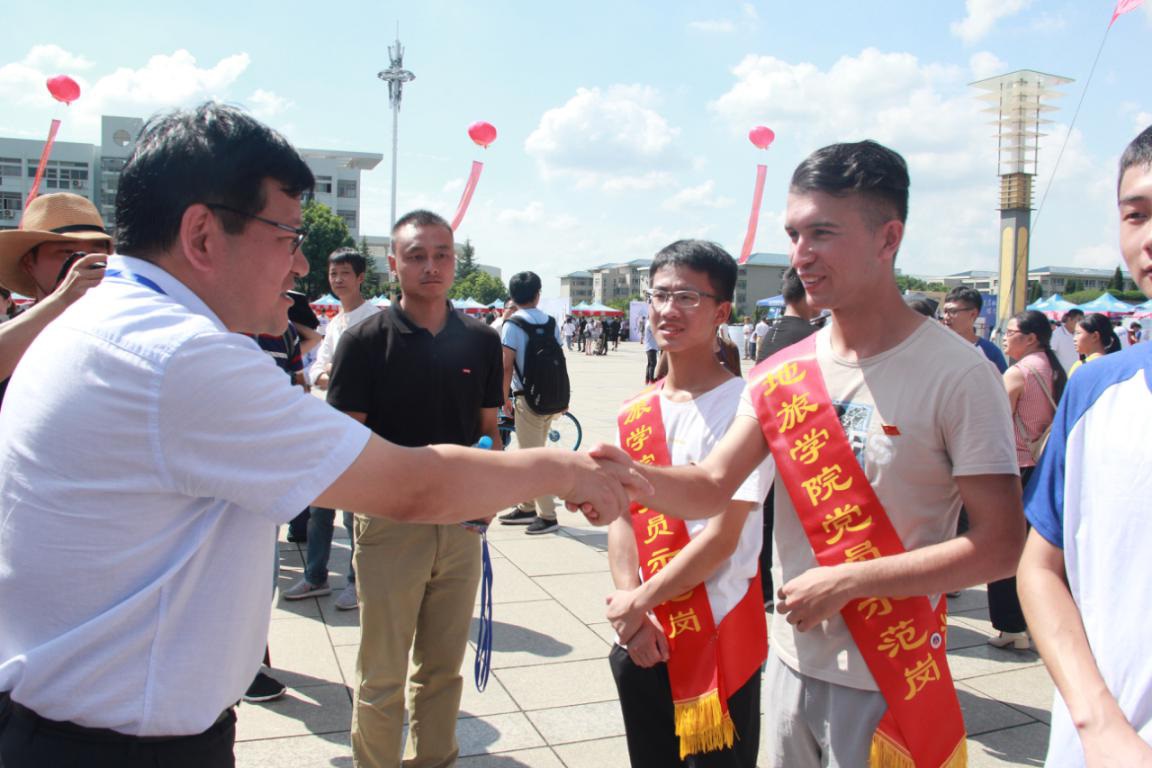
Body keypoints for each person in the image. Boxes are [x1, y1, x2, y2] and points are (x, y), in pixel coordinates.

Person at [0, 102, 642, 768]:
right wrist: (564, 470)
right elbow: (411, 487)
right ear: (202, 235)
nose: (300, 264)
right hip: (118, 748)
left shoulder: (100, 322)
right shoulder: (180, 356)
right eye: (286, 236)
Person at [598, 140, 1023, 767]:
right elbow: (711, 485)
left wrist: (853, 579)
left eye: (822, 233)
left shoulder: (958, 374)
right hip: (791, 665)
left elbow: (1001, 544)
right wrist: (624, 477)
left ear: (888, 238)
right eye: (794, 235)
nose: (801, 255)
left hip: (889, 676)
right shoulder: (780, 374)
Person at [327, 209, 503, 768]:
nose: (432, 266)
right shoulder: (364, 341)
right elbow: (345, 443)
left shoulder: (481, 340)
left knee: (443, 669)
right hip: (389, 525)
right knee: (382, 673)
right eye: (417, 255)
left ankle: (436, 759)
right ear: (393, 264)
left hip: (461, 526)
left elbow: (489, 429)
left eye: (442, 254)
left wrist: (488, 493)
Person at [607, 240, 773, 767]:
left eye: (687, 297)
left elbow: (723, 538)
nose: (667, 310)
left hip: (718, 634)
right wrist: (632, 609)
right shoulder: (636, 410)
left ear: (722, 312)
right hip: (644, 635)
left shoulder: (747, 410)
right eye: (659, 295)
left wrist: (639, 602)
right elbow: (622, 519)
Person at [1017, 123, 1152, 767]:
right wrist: (1099, 723)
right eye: (1136, 214)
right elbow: (1040, 568)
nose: (1148, 237)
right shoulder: (1098, 389)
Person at [283, 248, 381, 611]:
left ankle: (357, 581)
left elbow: (371, 374)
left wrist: (330, 374)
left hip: (361, 429)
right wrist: (328, 373)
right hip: (329, 423)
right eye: (333, 273)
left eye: (344, 273)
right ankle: (316, 575)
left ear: (360, 277)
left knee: (354, 510)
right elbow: (315, 368)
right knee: (320, 506)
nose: (337, 280)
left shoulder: (375, 321)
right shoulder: (335, 321)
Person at [986, 310, 1066, 651]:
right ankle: (1035, 623)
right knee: (1037, 553)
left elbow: (995, 424)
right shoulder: (1054, 368)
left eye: (1011, 332)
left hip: (1016, 468)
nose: (1005, 337)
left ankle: (1011, 627)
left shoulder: (1019, 373)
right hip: (1044, 467)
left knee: (1005, 548)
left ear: (1031, 337)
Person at [0, 193, 112, 406]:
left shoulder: (121, 328)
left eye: (96, 251)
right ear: (28, 263)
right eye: (67, 253)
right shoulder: (16, 331)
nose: (85, 263)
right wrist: (62, 299)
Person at [753, 267, 820, 608]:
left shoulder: (771, 333)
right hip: (798, 443)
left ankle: (763, 587)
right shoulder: (812, 339)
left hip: (766, 439)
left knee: (765, 519)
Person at [497, 271, 569, 535]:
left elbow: (506, 365)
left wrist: (502, 398)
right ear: (538, 294)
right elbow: (560, 361)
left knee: (534, 460)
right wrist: (564, 397)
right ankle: (527, 507)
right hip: (551, 397)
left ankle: (548, 516)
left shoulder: (512, 324)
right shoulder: (550, 322)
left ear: (513, 296)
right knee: (533, 452)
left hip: (527, 399)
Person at [941, 286, 1007, 373]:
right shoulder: (938, 349)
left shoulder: (990, 352)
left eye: (952, 311)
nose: (946, 317)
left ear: (973, 314)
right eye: (945, 312)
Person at [1069, 312, 1121, 376]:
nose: (1074, 338)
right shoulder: (1118, 365)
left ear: (1095, 336)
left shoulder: (1080, 367)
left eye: (1078, 333)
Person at [1050, 309, 1083, 373]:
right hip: (1062, 374)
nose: (1081, 323)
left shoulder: (1079, 334)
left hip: (1076, 372)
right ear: (1069, 319)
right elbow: (1051, 354)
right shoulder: (1057, 334)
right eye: (1078, 320)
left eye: (1082, 320)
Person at [643, 314, 659, 383]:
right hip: (651, 347)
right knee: (653, 363)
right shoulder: (650, 324)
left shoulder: (648, 323)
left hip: (650, 346)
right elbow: (656, 333)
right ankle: (651, 380)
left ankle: (647, 379)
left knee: (649, 364)